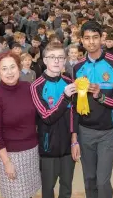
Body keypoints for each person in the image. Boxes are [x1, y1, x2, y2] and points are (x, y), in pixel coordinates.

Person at [73, 21, 113, 198]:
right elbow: (74, 105)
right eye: (87, 38)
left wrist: (100, 96)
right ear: (81, 40)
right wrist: (74, 136)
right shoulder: (77, 67)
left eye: (95, 37)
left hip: (109, 131)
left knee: (102, 182)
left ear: (102, 38)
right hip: (85, 131)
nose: (91, 42)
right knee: (89, 178)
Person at [0, 52, 41, 198]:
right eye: (4, 68)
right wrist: (6, 162)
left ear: (18, 68)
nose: (9, 72)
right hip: (11, 156)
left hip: (31, 152)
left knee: (29, 194)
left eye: (12, 67)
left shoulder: (28, 88)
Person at [30, 42, 78, 198]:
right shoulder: (36, 85)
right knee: (48, 189)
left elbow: (75, 114)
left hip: (67, 147)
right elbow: (47, 116)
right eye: (52, 57)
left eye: (60, 57)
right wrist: (64, 97)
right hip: (48, 147)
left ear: (65, 60)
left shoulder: (70, 82)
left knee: (66, 187)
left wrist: (75, 140)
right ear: (44, 60)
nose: (56, 61)